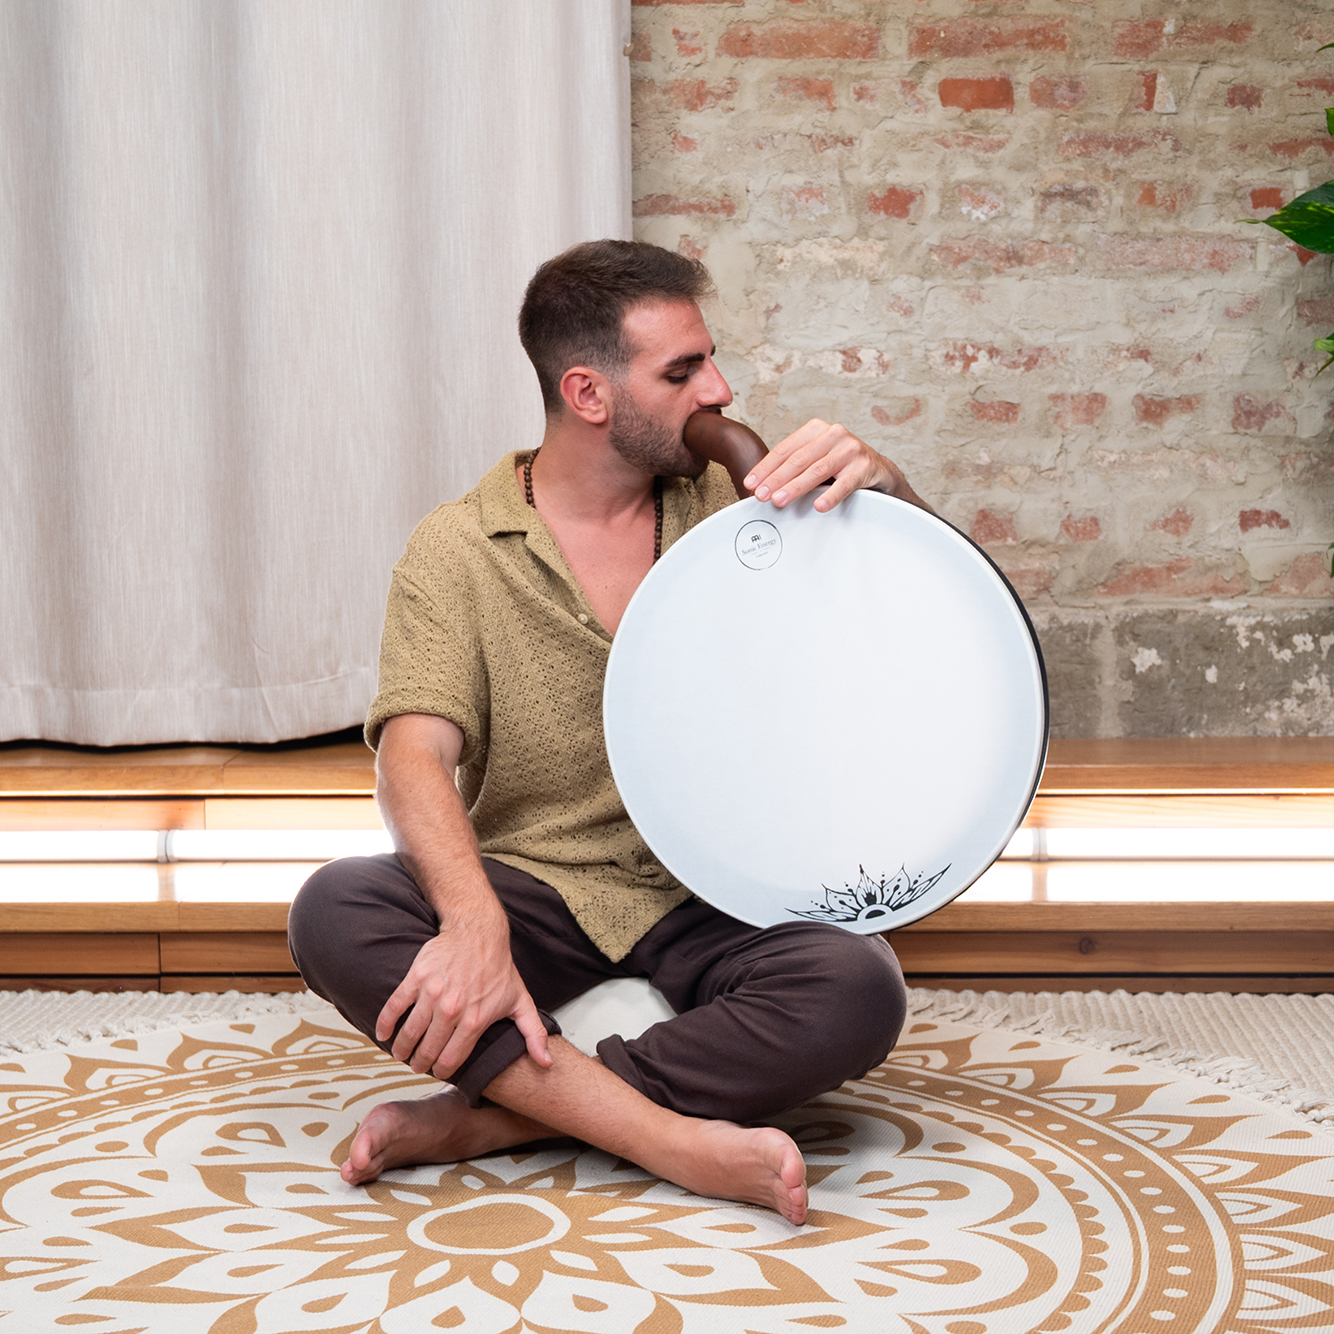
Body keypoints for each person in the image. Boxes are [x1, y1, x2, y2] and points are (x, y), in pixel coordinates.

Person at [288, 240, 931, 1226]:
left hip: (712, 889)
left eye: (710, 361)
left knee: (857, 986)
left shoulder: (742, 508)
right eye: (682, 372)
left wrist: (888, 488)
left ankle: (496, 1119)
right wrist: (472, 921)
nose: (719, 390)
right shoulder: (456, 548)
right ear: (587, 393)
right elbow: (413, 754)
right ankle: (671, 1139)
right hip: (535, 889)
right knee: (335, 909)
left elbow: (915, 617)